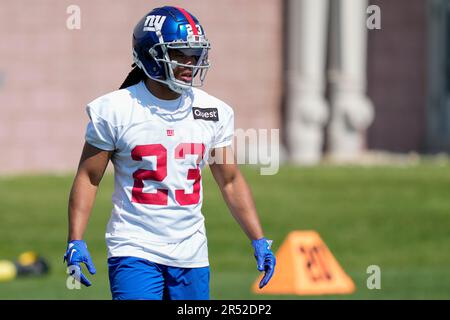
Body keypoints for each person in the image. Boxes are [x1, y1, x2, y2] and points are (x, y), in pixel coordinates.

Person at [63, 5, 276, 300]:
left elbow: (229, 180)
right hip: (134, 247)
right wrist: (75, 239)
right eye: (179, 54)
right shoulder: (115, 110)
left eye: (194, 53)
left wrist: (259, 239)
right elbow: (89, 177)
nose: (190, 62)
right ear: (151, 55)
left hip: (192, 252)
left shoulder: (213, 111)